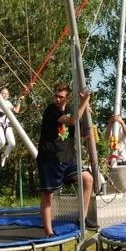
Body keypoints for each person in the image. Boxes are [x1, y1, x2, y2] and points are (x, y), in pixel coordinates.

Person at [37, 83, 95, 236]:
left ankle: (82, 218)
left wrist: (87, 117)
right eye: (56, 95)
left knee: (88, 179)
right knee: (47, 195)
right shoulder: (51, 111)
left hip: (68, 158)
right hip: (50, 159)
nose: (57, 99)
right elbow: (72, 121)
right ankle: (48, 231)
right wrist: (84, 103)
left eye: (61, 97)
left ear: (67, 98)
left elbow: (81, 131)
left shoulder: (70, 110)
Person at [0, 88, 23, 167]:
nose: (5, 95)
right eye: (3, 93)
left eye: (7, 94)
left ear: (8, 96)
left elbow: (16, 110)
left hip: (8, 125)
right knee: (2, 141)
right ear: (0, 94)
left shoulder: (8, 103)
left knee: (12, 143)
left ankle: (4, 155)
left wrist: (19, 101)